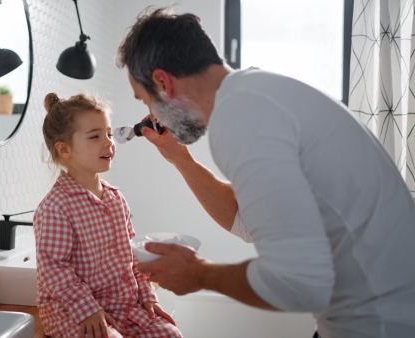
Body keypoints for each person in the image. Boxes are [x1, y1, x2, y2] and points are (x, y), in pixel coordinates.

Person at [115, 7, 415, 338]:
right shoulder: (254, 95)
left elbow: (298, 284)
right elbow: (247, 220)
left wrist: (199, 274)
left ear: (162, 82)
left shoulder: (241, 119)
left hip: (381, 326)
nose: (150, 114)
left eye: (145, 100)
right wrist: (181, 160)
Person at [34, 92, 182, 338]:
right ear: (64, 149)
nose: (108, 143)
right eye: (95, 136)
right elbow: (54, 271)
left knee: (170, 334)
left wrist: (147, 296)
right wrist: (87, 309)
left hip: (123, 307)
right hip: (74, 314)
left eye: (109, 134)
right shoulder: (55, 208)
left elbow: (133, 256)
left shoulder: (116, 199)